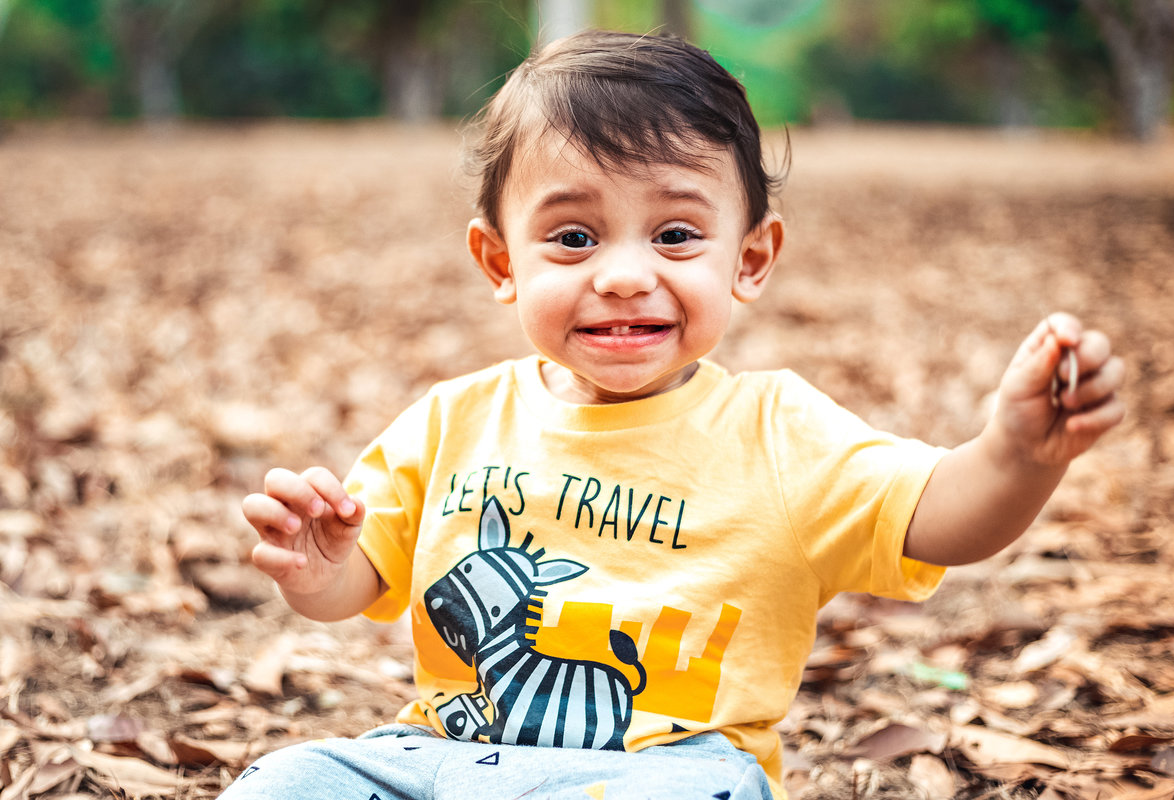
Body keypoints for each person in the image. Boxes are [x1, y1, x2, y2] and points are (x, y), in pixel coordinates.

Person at [228, 29, 1125, 800]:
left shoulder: (776, 433)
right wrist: (319, 575)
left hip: (664, 769)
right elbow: (362, 585)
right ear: (501, 262)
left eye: (676, 235)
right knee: (291, 779)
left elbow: (940, 519)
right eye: (574, 237)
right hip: (446, 756)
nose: (622, 273)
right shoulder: (454, 420)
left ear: (752, 257)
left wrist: (1018, 453)